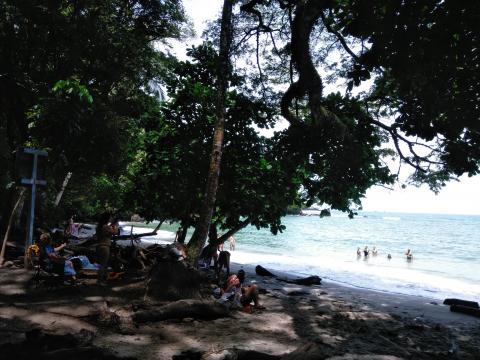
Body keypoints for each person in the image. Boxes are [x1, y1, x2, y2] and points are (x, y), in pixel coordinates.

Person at [96, 212, 118, 285]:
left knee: (101, 264)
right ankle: (100, 281)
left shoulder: (99, 226)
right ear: (107, 218)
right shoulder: (106, 226)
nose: (111, 218)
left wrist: (112, 225)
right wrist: (115, 225)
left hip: (99, 246)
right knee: (103, 265)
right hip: (105, 246)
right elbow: (115, 232)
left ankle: (101, 280)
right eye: (110, 217)